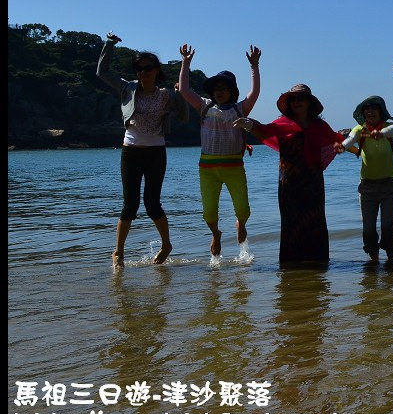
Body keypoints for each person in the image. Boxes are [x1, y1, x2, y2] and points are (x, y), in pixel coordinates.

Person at [97, 32, 188, 267]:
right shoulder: (128, 89)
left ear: (157, 70)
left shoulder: (167, 95)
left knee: (152, 203)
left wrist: (182, 95)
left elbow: (185, 116)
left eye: (147, 68)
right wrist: (109, 45)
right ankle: (118, 252)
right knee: (130, 204)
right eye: (139, 68)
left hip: (156, 152)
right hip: (131, 151)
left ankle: (166, 244)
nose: (142, 72)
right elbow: (102, 72)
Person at [234, 84, 344, 268]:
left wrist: (355, 137)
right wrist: (249, 125)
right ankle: (290, 267)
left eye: (301, 98)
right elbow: (263, 130)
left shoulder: (320, 126)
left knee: (315, 222)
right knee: (290, 224)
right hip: (289, 184)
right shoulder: (282, 123)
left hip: (313, 183)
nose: (297, 102)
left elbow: (336, 141)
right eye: (293, 99)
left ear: (309, 102)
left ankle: (318, 265)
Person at [177, 43, 261, 257]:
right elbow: (184, 89)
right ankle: (216, 234)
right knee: (208, 212)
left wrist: (254, 66)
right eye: (217, 88)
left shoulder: (239, 108)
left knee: (243, 209)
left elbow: (255, 92)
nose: (220, 91)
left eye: (224, 88)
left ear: (232, 91)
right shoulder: (204, 105)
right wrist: (186, 62)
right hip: (207, 169)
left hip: (234, 167)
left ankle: (240, 224)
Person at [338, 96, 393, 263]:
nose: (370, 111)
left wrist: (380, 134)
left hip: (390, 185)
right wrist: (343, 147)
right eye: (366, 109)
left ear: (381, 112)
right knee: (368, 230)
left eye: (374, 108)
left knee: (388, 228)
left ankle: (391, 263)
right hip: (367, 188)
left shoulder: (388, 126)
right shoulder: (360, 129)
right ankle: (374, 262)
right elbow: (350, 139)